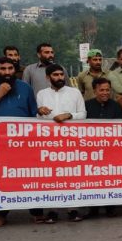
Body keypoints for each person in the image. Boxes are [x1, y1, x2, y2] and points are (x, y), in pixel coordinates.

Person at [0, 57, 39, 227]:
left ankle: (36, 212)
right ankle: (1, 213)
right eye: (2, 69)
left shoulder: (25, 88)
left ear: (14, 69)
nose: (7, 72)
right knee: (4, 178)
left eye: (10, 68)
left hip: (24, 141)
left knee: (29, 176)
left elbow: (33, 114)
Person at [36, 64, 87, 223]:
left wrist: (69, 115)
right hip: (49, 142)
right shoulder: (41, 94)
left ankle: (73, 209)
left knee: (71, 175)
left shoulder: (75, 92)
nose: (60, 78)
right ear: (47, 77)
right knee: (51, 177)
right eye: (56, 75)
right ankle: (52, 210)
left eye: (61, 74)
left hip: (71, 141)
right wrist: (39, 111)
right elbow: (38, 119)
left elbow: (83, 114)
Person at [83, 78, 122, 219]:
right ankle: (93, 209)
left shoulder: (116, 106)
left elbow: (121, 129)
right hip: (91, 151)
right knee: (92, 180)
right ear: (94, 91)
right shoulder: (86, 106)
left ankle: (110, 208)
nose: (105, 93)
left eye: (107, 90)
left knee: (109, 179)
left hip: (111, 151)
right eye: (102, 90)